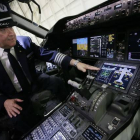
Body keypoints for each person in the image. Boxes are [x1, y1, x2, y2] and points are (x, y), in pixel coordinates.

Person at [0, 1, 100, 138]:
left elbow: (48, 54)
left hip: (34, 80)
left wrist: (74, 62)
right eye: (2, 30)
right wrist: (4, 101)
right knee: (19, 121)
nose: (11, 33)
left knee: (57, 82)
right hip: (14, 95)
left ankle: (72, 110)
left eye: (11, 27)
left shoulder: (24, 42)